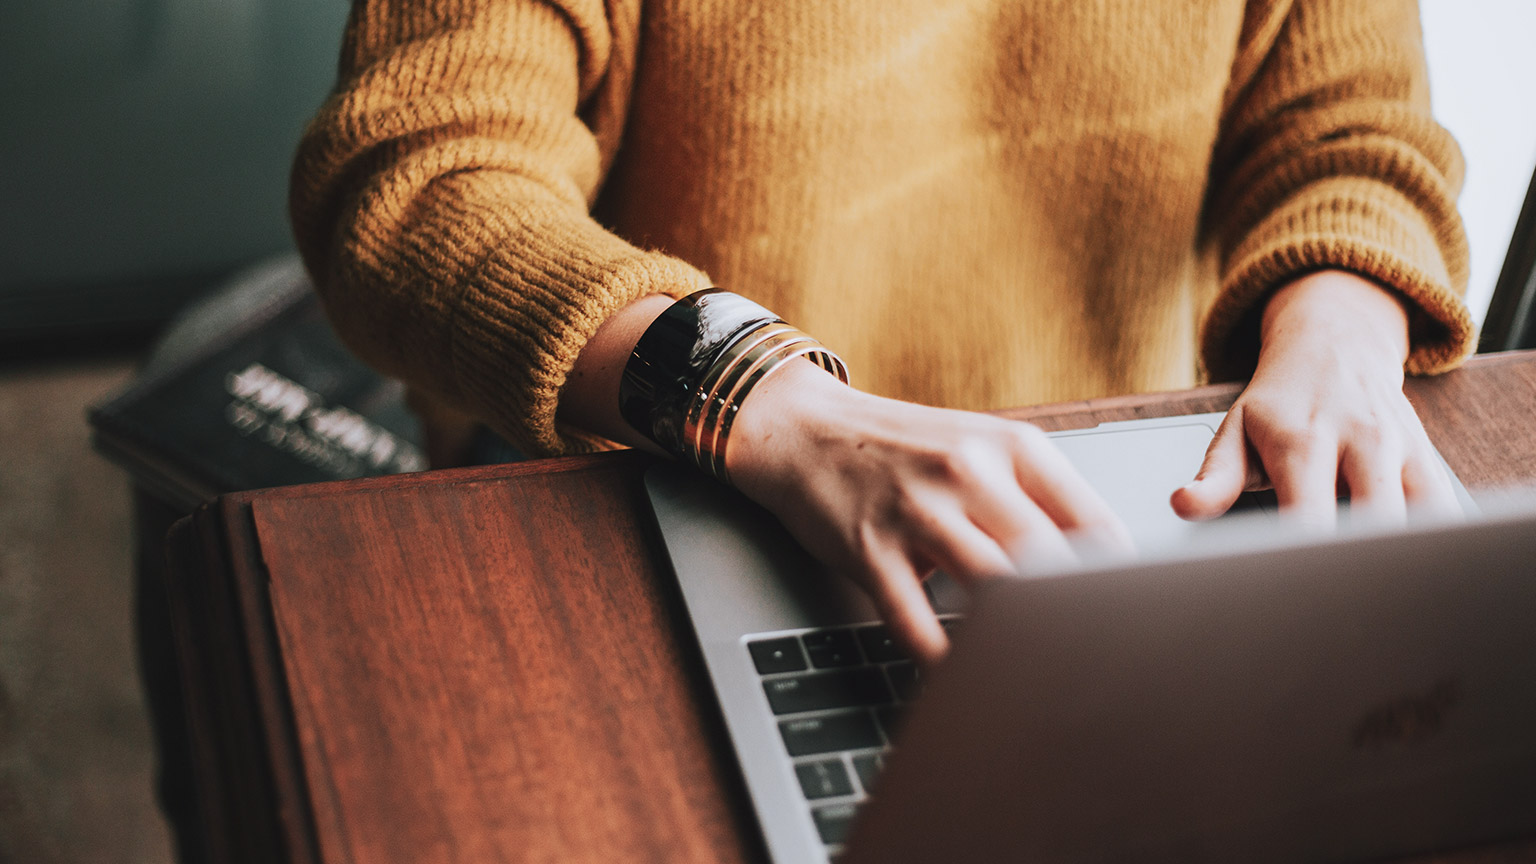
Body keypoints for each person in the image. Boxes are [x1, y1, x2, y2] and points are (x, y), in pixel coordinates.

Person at [290, 0, 1473, 664]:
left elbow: (1352, 124)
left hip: (1104, 513)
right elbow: (419, 178)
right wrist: (768, 398)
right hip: (660, 485)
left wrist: (1341, 326)